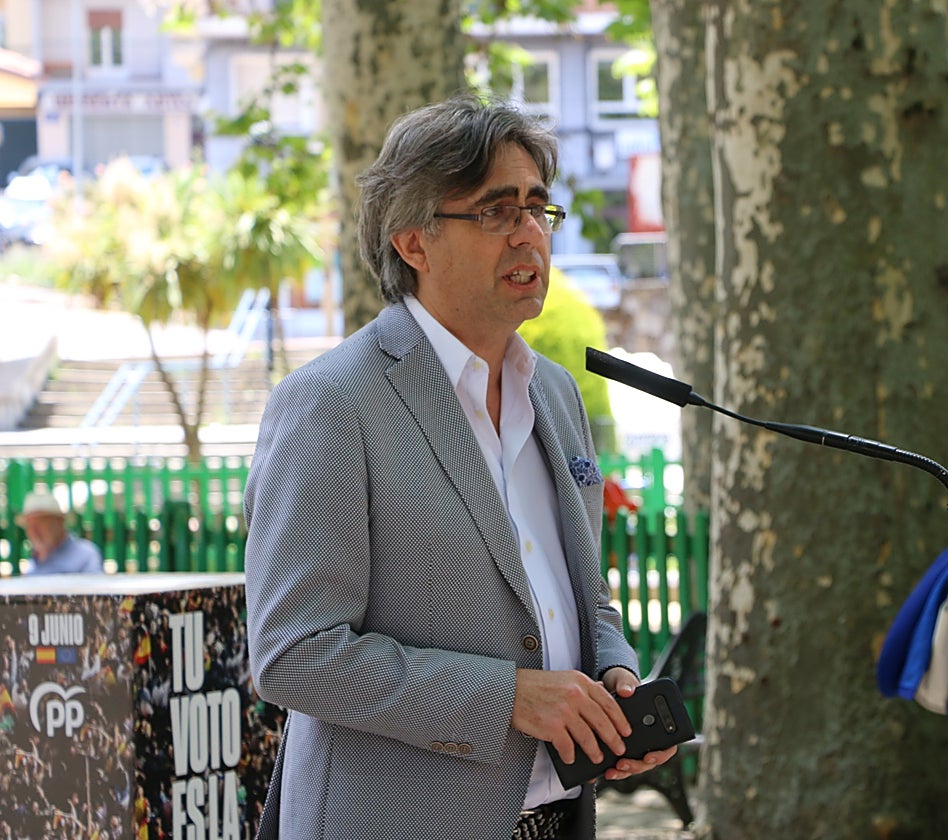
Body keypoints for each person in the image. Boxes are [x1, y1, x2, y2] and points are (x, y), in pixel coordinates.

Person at [243, 94, 675, 840]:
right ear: (413, 242)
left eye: (538, 207)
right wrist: (510, 698)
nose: (529, 232)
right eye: (496, 211)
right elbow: (293, 654)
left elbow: (579, 596)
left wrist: (613, 680)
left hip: (558, 818)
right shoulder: (330, 403)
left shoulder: (556, 393)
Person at [16, 489, 104, 575]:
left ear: (59, 522)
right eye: (29, 525)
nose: (34, 531)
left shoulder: (85, 554)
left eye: (41, 523)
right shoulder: (34, 561)